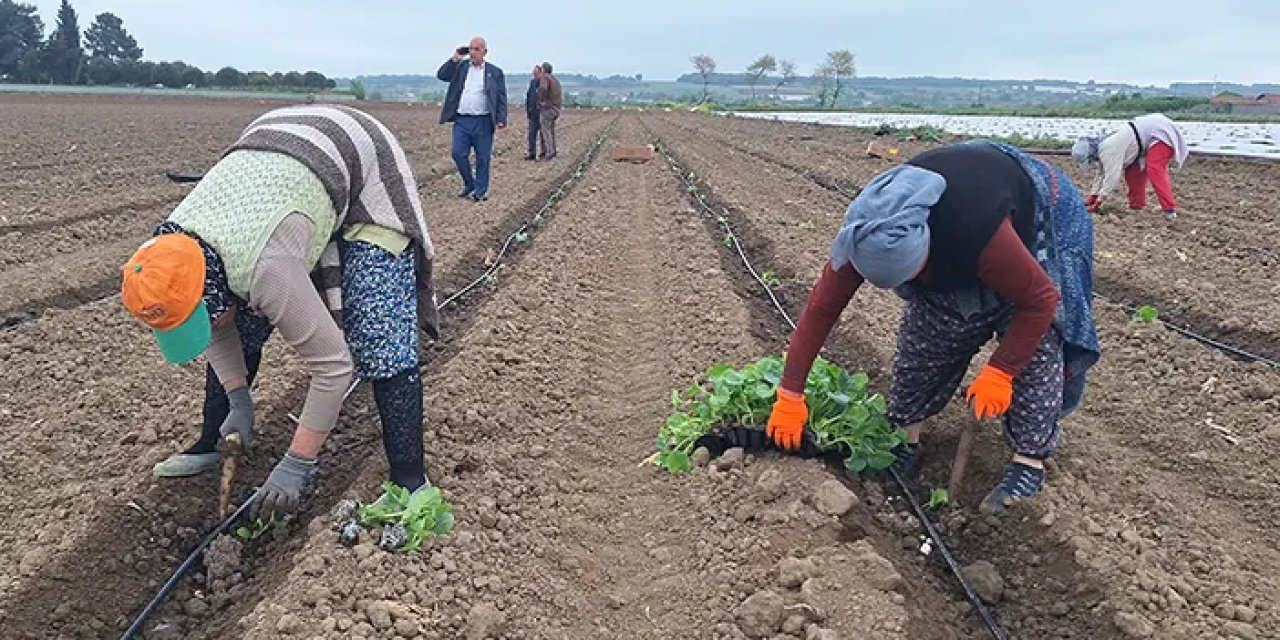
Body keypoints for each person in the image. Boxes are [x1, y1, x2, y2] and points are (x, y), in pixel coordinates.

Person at [121, 104, 441, 520]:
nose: (205, 324)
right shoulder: (173, 247)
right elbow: (216, 325)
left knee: (378, 329)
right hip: (276, 170)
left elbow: (332, 367)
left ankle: (410, 483)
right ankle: (210, 442)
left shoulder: (264, 267)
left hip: (360, 159)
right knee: (240, 320)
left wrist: (297, 463)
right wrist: (239, 399)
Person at [764, 140, 1101, 514]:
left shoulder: (977, 232)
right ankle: (906, 438)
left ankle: (1029, 462)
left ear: (927, 245)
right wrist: (790, 395)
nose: (920, 279)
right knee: (926, 338)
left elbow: (1039, 300)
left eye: (918, 272)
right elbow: (820, 311)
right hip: (969, 230)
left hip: (1037, 218)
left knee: (1036, 349)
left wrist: (1001, 371)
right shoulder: (865, 233)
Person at [1072, 113, 1188, 221]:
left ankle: (1169, 210)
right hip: (1140, 140)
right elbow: (1101, 173)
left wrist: (1099, 201)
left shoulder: (1109, 149)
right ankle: (1136, 206)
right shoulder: (1103, 148)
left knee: (1154, 168)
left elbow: (1111, 177)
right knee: (1132, 171)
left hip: (1161, 132)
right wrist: (1093, 195)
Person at [437, 36, 508, 202]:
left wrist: (501, 118)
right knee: (458, 153)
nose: (473, 52)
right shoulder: (460, 67)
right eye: (471, 49)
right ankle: (469, 183)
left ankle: (480, 191)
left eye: (477, 49)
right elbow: (442, 75)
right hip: (462, 120)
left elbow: (501, 97)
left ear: (485, 52)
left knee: (483, 157)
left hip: (483, 121)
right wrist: (454, 58)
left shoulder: (495, 72)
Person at [536, 61, 563, 160]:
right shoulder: (555, 80)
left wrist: (540, 99)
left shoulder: (545, 78)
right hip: (556, 108)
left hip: (548, 108)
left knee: (545, 131)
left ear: (543, 70)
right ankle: (553, 150)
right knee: (551, 131)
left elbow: (543, 88)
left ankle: (549, 152)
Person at [525, 65, 542, 160]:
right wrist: (528, 111)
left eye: (536, 73)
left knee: (543, 135)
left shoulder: (544, 83)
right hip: (533, 114)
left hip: (542, 113)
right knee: (531, 135)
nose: (535, 75)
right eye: (534, 73)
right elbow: (528, 96)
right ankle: (532, 154)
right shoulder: (532, 83)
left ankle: (544, 153)